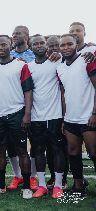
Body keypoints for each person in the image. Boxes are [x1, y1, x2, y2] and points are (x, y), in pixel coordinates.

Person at [0, 35, 34, 199]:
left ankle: (26, 187)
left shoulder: (20, 65)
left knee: (21, 150)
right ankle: (0, 186)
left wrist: (27, 114)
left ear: (10, 45)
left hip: (17, 112)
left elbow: (28, 90)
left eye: (4, 44)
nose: (1, 48)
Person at [57, 34, 96, 199]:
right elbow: (64, 95)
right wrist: (64, 118)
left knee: (94, 153)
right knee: (73, 153)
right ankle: (79, 188)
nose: (66, 47)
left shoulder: (86, 60)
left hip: (88, 117)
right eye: (62, 45)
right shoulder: (59, 68)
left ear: (76, 44)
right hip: (71, 119)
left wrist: (94, 113)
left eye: (69, 44)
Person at [28, 34, 65, 198]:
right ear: (31, 48)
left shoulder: (57, 61)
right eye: (35, 44)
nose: (39, 45)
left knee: (57, 149)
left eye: (42, 43)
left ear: (47, 45)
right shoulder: (28, 67)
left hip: (55, 114)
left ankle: (58, 185)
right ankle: (41, 186)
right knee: (38, 151)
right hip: (36, 116)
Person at [6, 25, 38, 190]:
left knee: (33, 141)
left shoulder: (35, 54)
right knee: (12, 143)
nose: (15, 36)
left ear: (27, 36)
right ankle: (17, 175)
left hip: (33, 102)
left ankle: (32, 176)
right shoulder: (8, 55)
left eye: (18, 33)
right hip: (12, 105)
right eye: (13, 34)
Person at [45, 36, 69, 190]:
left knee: (62, 148)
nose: (54, 48)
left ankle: (64, 179)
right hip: (46, 112)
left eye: (56, 46)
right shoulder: (45, 63)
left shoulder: (65, 61)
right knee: (49, 148)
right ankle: (53, 177)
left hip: (63, 112)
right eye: (51, 46)